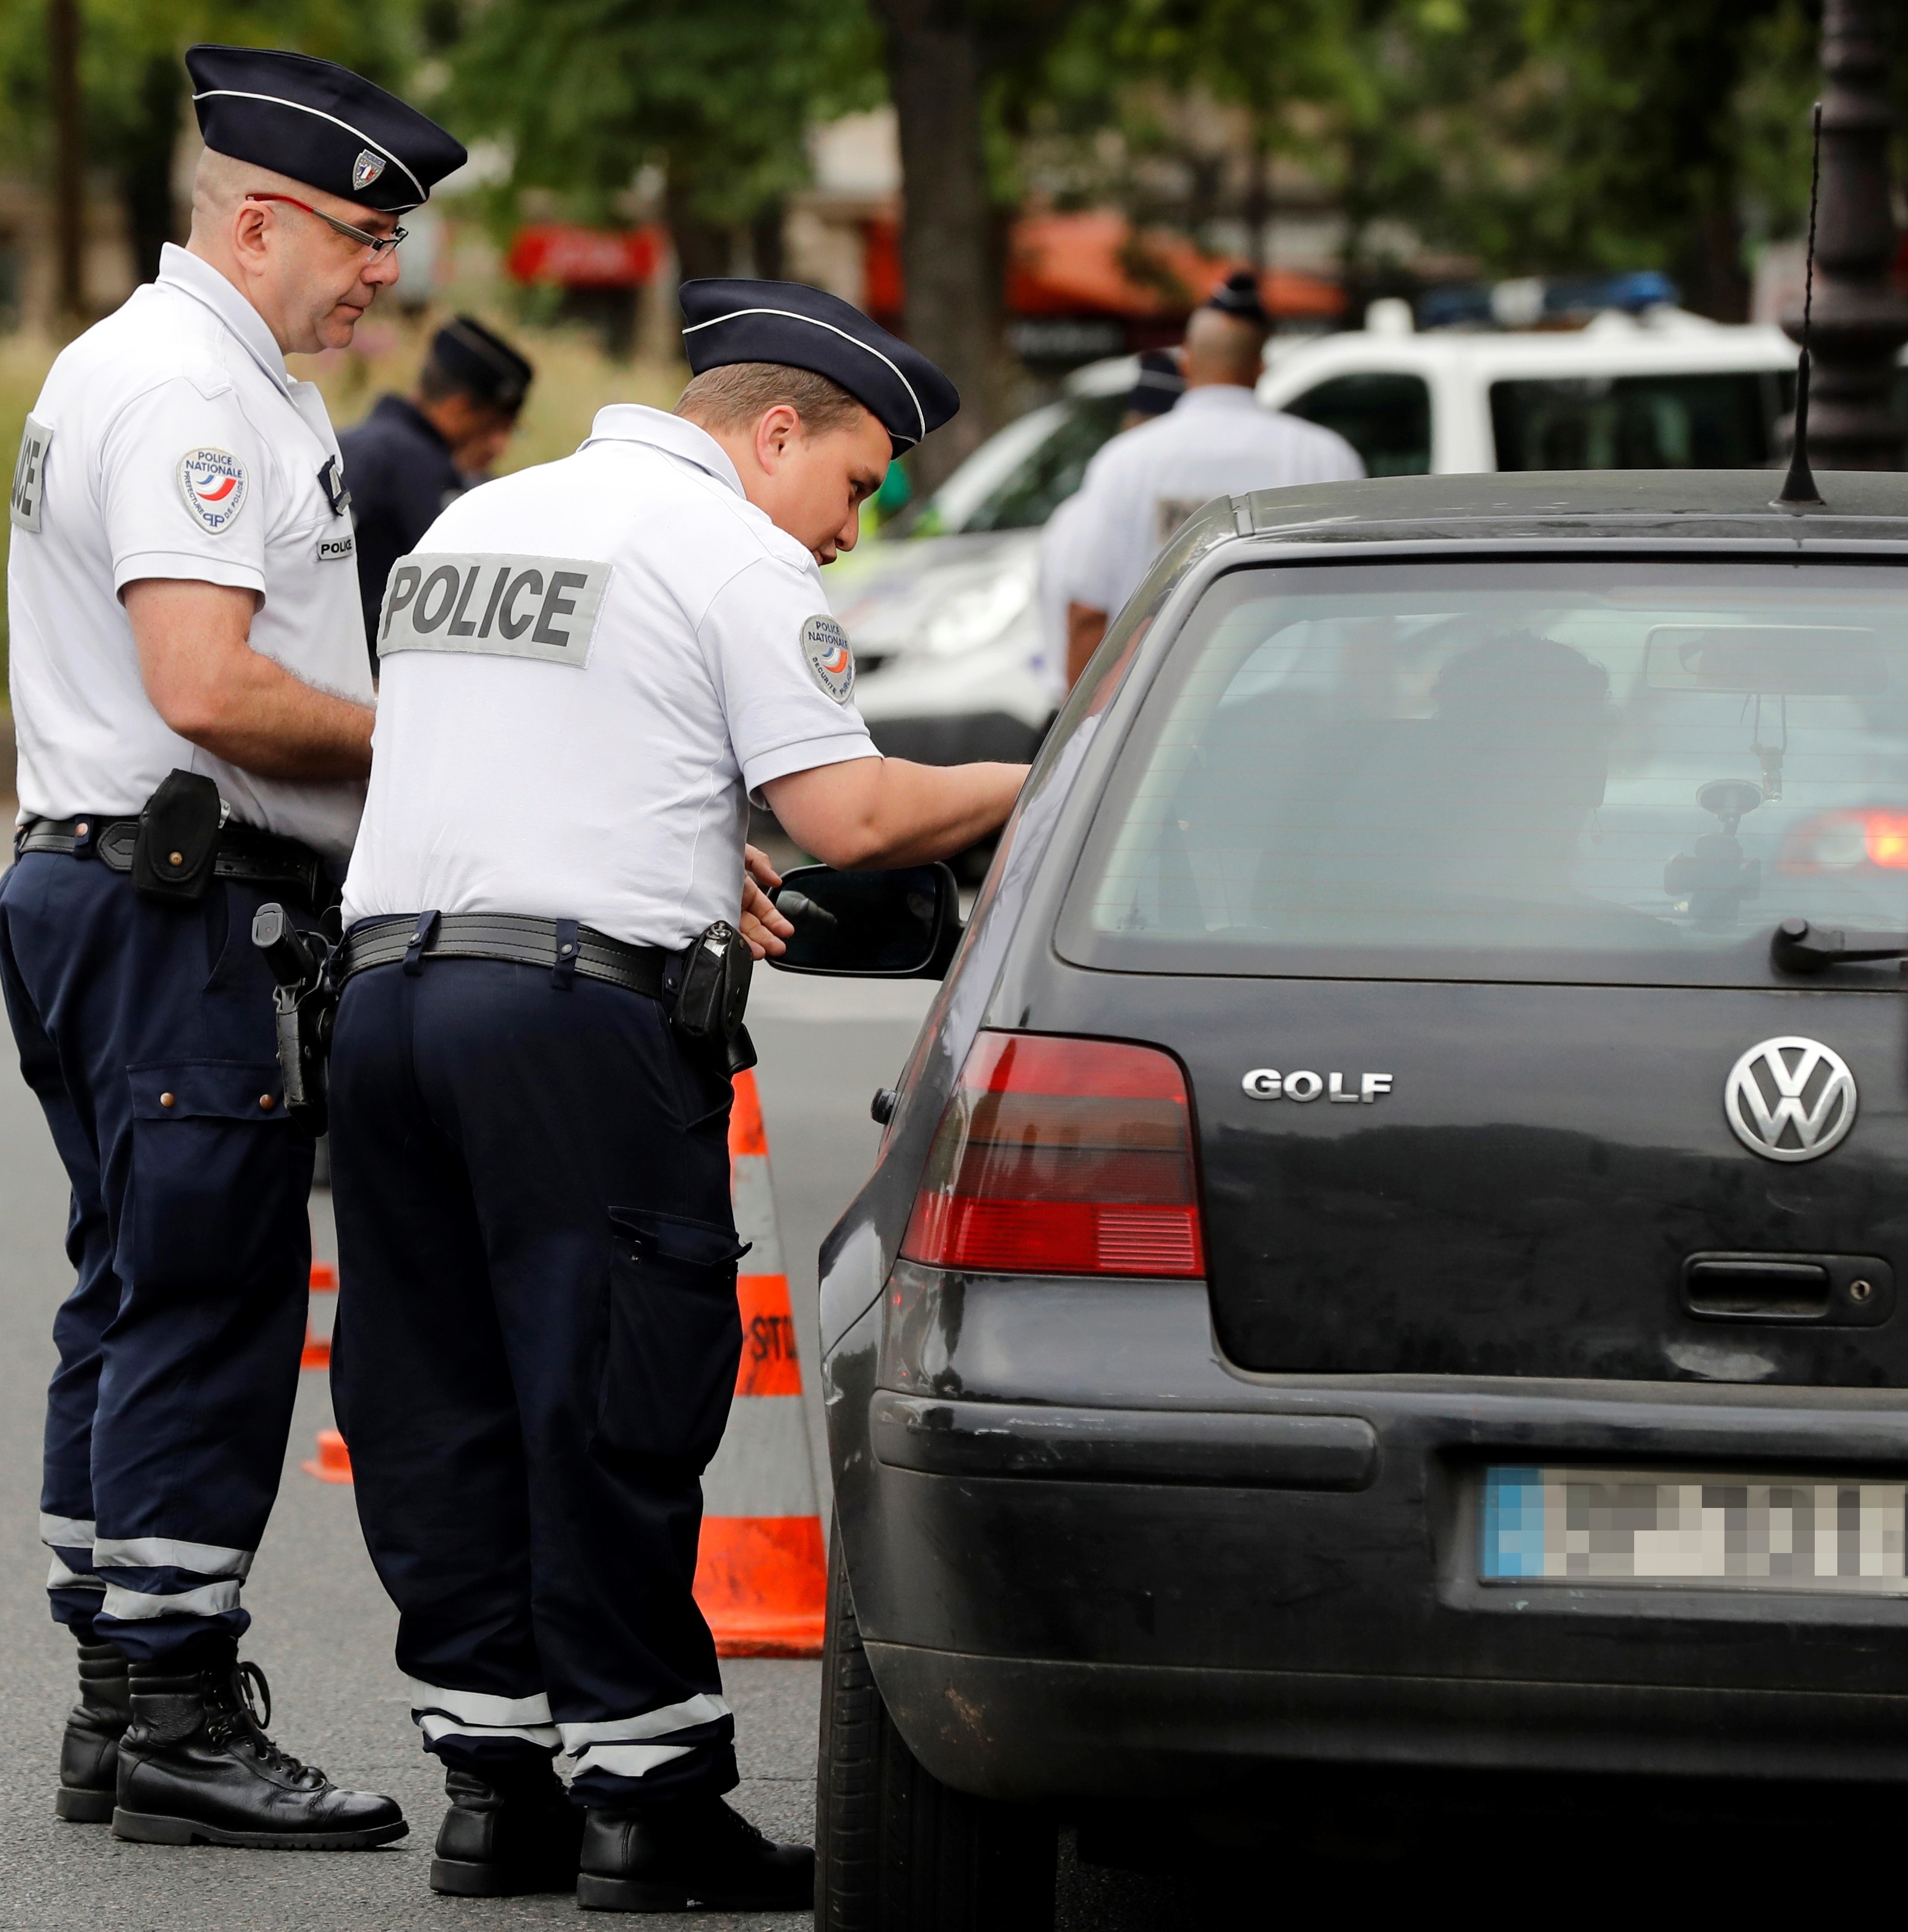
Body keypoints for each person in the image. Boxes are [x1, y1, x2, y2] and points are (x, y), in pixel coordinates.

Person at [326, 279, 1027, 1912]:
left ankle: (493, 1787)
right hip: (572, 1028)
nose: (852, 529)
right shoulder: (732, 551)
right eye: (856, 482)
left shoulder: (480, 522)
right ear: (773, 432)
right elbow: (849, 814)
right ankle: (646, 1796)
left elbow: (515, 750)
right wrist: (1052, 764)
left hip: (387, 1003)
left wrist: (690, 838)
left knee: (441, 1392)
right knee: (610, 1386)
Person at [0, 42, 463, 1850]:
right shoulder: (195, 395)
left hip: (101, 890)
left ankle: (117, 1702)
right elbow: (203, 685)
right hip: (181, 901)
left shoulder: (142, 364)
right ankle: (180, 1711)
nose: (380, 274)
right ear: (254, 218)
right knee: (205, 1302)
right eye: (359, 235)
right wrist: (423, 732)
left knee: (128, 1287)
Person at [1060, 271, 1363, 685]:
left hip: (1156, 721)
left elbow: (1086, 613)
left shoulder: (1126, 461)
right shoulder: (1326, 459)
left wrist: (1083, 732)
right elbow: (1358, 609)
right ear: (1260, 366)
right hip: (1299, 716)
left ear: (1185, 361)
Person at [339, 314, 535, 662]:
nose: (500, 447)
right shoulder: (421, 469)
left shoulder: (346, 442)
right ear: (457, 409)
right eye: (494, 428)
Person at [1034, 347, 1182, 706]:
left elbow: (1079, 617)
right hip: (1118, 713)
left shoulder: (1074, 513)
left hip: (1083, 707)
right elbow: (1086, 615)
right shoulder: (1102, 506)